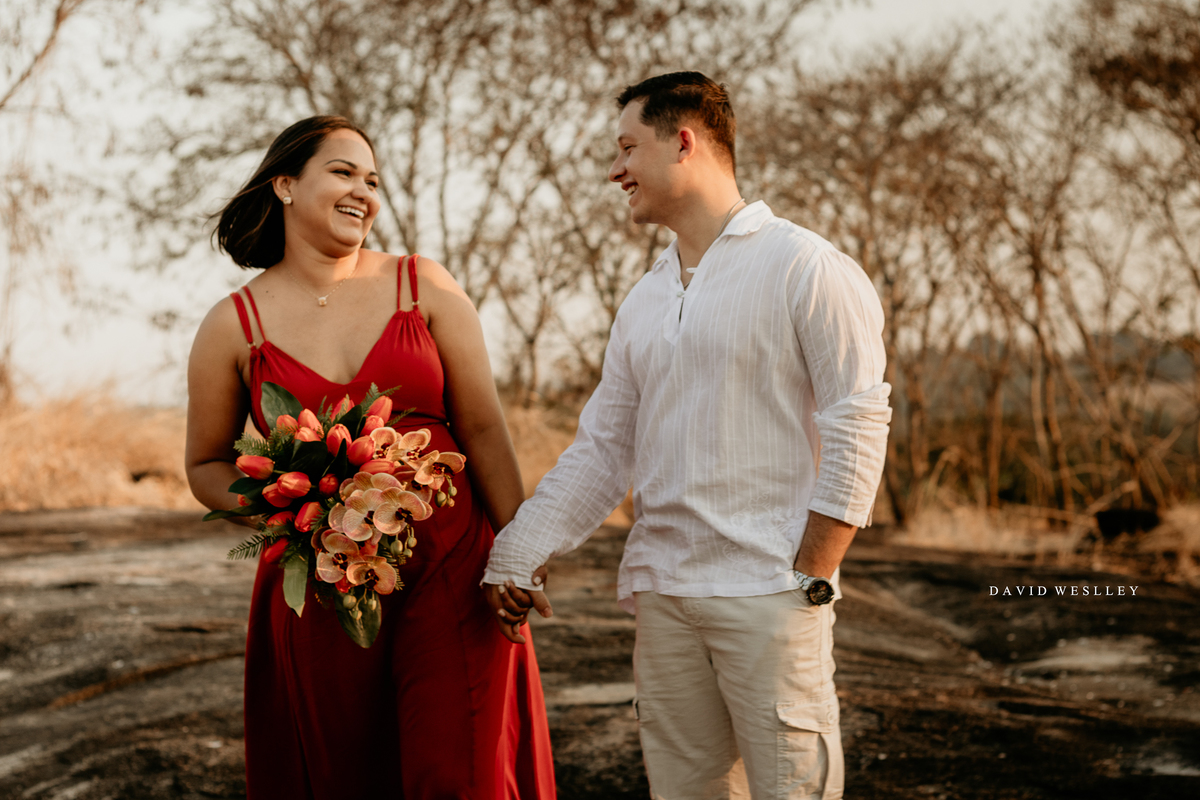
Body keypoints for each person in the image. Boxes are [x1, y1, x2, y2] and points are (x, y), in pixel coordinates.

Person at [483, 73, 891, 799]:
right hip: (664, 596)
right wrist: (516, 551)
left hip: (770, 592)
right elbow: (605, 449)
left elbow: (858, 421)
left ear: (683, 141)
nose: (615, 170)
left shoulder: (806, 267)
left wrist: (811, 576)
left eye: (627, 147)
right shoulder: (644, 298)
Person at [185, 116, 556, 799]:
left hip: (452, 564)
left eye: (373, 180)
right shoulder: (234, 324)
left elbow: (483, 426)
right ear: (287, 185)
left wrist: (520, 550)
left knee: (460, 771)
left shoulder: (423, 285)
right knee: (344, 775)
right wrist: (296, 507)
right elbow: (205, 465)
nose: (365, 191)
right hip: (322, 584)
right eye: (345, 172)